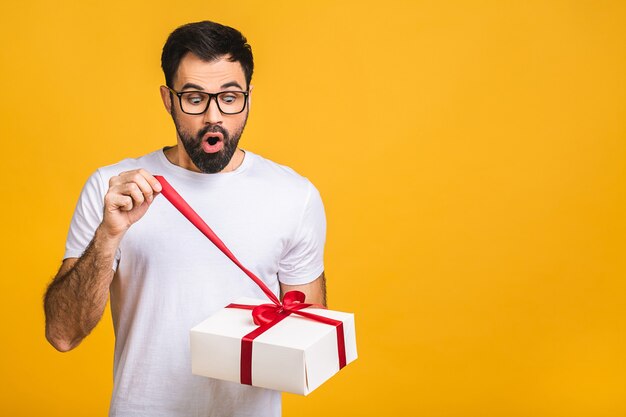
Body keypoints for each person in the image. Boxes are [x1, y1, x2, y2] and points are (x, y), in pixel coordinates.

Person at [43, 20, 327, 417]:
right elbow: (62, 334)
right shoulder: (112, 189)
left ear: (249, 97)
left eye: (230, 97)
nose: (214, 117)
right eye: (194, 98)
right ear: (168, 99)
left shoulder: (294, 196)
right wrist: (109, 236)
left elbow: (308, 341)